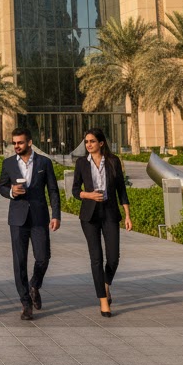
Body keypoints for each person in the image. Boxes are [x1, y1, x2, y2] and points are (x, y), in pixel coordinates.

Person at [0, 127, 61, 321]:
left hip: (39, 217)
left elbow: (52, 190)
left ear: (30, 142)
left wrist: (56, 214)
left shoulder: (44, 162)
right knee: (19, 262)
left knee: (43, 257)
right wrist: (11, 191)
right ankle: (25, 303)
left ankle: (35, 285)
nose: (16, 146)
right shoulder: (8, 163)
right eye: (14, 143)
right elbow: (1, 186)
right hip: (17, 219)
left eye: (20, 142)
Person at [72, 128, 131, 318]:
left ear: (101, 143)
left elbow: (122, 190)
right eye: (86, 141)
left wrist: (127, 215)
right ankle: (103, 301)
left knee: (113, 257)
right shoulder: (81, 163)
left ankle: (106, 284)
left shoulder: (113, 162)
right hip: (89, 215)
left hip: (110, 212)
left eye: (92, 141)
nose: (88, 144)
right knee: (96, 258)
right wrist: (88, 195)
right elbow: (74, 190)